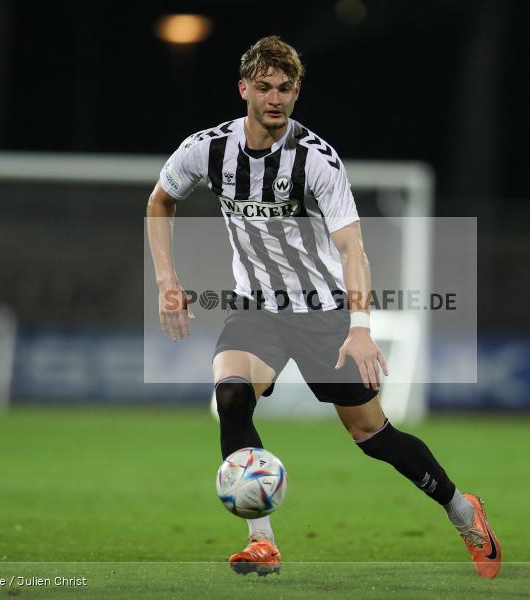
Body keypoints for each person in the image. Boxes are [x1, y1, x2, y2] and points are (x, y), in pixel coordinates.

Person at [146, 35, 500, 579]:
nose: (275, 98)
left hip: (322, 312)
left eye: (285, 88)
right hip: (256, 308)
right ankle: (261, 540)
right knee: (233, 396)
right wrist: (168, 280)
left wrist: (360, 327)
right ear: (243, 88)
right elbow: (160, 199)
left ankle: (461, 509)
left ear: (297, 92)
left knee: (373, 437)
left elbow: (352, 247)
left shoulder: (316, 160)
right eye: (263, 87)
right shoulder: (207, 149)